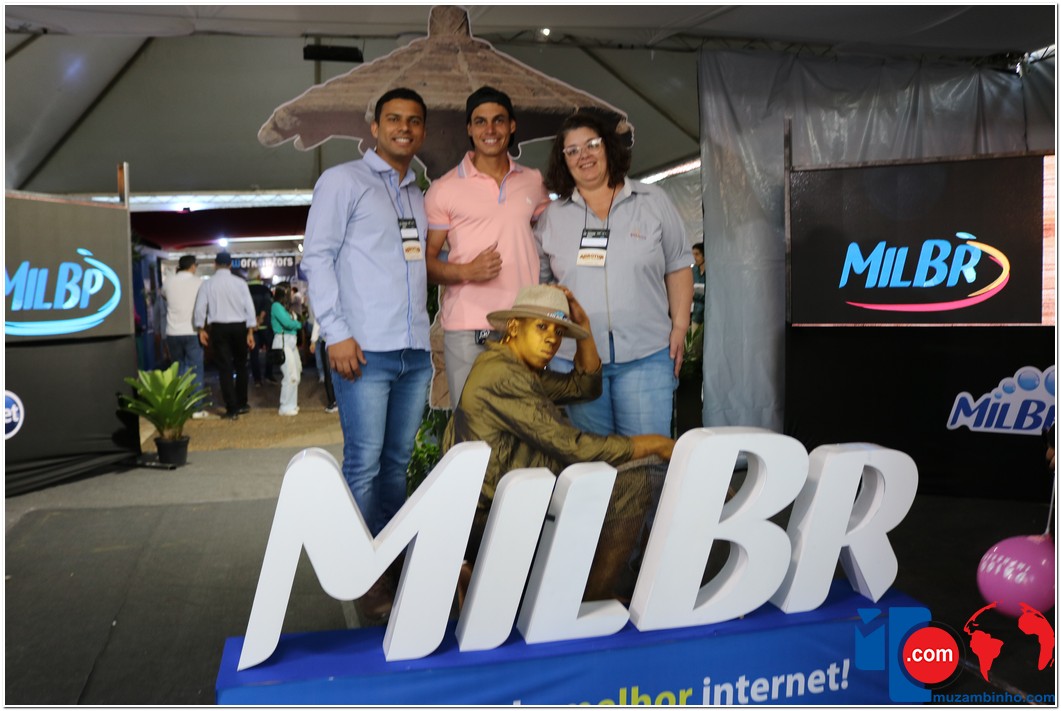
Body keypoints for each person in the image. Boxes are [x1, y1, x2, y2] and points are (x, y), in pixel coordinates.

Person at [300, 87, 433, 618]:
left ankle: (389, 558)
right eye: (394, 119)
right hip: (363, 350)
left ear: (422, 131)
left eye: (414, 120)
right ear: (374, 127)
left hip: (413, 352)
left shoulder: (417, 194)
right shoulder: (343, 181)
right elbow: (318, 257)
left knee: (396, 466)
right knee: (363, 464)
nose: (404, 127)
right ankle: (362, 574)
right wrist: (335, 332)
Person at [442, 284, 675, 565]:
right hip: (492, 518)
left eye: (559, 332)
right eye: (542, 327)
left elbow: (585, 387)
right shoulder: (502, 374)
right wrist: (656, 444)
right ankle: (590, 591)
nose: (552, 339)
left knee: (613, 488)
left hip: (514, 505)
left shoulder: (515, 367)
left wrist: (584, 329)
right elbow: (572, 447)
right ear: (514, 327)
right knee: (633, 486)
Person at [535, 111, 693, 438]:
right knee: (592, 461)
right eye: (572, 150)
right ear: (563, 160)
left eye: (592, 145)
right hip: (577, 361)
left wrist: (680, 326)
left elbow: (678, 264)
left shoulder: (653, 201)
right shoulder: (552, 217)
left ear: (608, 146)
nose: (584, 155)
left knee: (647, 456)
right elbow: (541, 283)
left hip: (647, 356)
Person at [424, 86, 551, 406]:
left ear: (512, 126)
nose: (490, 130)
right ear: (469, 128)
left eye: (498, 120)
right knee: (474, 428)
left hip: (524, 327)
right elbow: (425, 264)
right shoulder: (444, 189)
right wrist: (467, 271)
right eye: (480, 121)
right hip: (469, 330)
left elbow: (550, 239)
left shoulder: (533, 181)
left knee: (522, 425)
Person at [192, 252, 256, 420]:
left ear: (215, 264)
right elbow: (249, 308)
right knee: (241, 365)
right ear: (230, 265)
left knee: (225, 368)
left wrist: (200, 329)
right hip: (239, 326)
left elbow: (200, 307)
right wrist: (250, 331)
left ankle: (231, 408)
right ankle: (242, 402)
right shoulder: (240, 283)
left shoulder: (208, 284)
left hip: (219, 328)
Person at [161, 254, 209, 418]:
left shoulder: (168, 282)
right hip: (192, 331)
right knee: (195, 370)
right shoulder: (199, 283)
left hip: (172, 332)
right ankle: (196, 408)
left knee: (178, 369)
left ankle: (180, 406)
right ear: (193, 266)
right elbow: (203, 307)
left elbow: (164, 296)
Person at [270, 282, 302, 416]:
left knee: (297, 372)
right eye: (290, 291)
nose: (292, 294)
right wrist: (298, 324)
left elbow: (291, 323)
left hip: (291, 342)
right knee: (290, 374)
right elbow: (288, 323)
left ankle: (292, 404)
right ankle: (285, 406)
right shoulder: (276, 306)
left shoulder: (285, 307)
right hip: (283, 342)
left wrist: (296, 324)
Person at [246, 267, 276, 386]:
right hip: (266, 327)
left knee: (254, 354)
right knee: (270, 351)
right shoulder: (265, 289)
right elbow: (267, 305)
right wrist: (260, 319)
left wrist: (253, 322)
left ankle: (257, 379)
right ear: (259, 277)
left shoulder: (245, 289)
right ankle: (268, 374)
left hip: (250, 328)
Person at [309, 315, 338, 413]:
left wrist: (313, 341)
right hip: (332, 341)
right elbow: (317, 321)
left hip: (333, 341)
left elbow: (317, 321)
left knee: (331, 372)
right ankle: (333, 401)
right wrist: (313, 340)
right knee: (330, 372)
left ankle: (334, 401)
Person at [691, 241, 706, 326]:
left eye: (697, 254)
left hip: (708, 313)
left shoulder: (712, 272)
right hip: (696, 313)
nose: (694, 257)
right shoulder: (693, 270)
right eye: (693, 254)